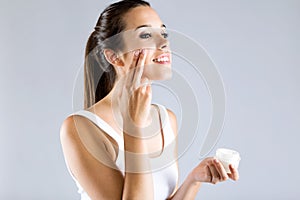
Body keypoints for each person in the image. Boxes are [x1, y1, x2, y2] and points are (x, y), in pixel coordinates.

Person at [60, 0, 239, 199]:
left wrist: (193, 180)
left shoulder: (166, 119)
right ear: (114, 56)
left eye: (163, 34)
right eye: (145, 35)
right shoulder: (79, 127)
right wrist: (133, 127)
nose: (164, 43)